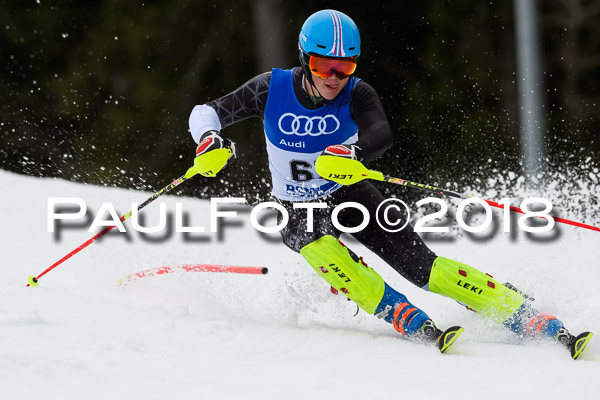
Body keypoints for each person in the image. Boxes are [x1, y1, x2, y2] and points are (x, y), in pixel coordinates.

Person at [188, 9, 591, 358]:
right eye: (322, 65)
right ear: (303, 58)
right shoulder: (269, 88)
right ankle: (399, 312)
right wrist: (209, 140)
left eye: (345, 67)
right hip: (295, 205)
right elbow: (208, 112)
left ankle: (518, 311)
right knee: (325, 250)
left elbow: (381, 131)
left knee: (423, 268)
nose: (334, 77)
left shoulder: (357, 93)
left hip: (349, 190)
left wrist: (354, 153)